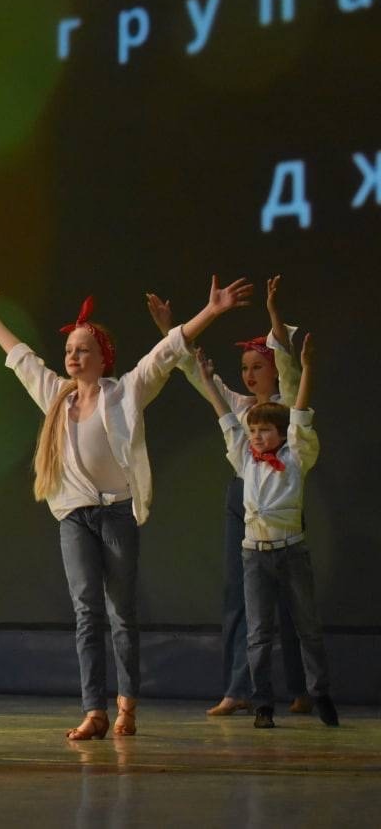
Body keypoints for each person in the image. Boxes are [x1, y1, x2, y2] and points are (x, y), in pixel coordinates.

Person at [0, 275, 252, 740]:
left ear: (102, 357)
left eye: (83, 350)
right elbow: (22, 360)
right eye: (69, 350)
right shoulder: (56, 396)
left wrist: (211, 311)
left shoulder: (125, 392)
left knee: (121, 612)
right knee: (86, 611)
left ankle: (126, 704)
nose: (73, 357)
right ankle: (93, 709)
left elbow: (167, 352)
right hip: (74, 515)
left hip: (117, 513)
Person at [146, 276, 310, 716]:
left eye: (257, 367)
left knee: (290, 600)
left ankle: (301, 687)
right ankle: (238, 688)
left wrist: (273, 315)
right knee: (238, 593)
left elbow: (290, 366)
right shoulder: (239, 406)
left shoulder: (287, 404)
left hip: (281, 502)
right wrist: (169, 331)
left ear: (272, 371)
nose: (249, 375)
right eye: (245, 369)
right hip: (242, 498)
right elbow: (197, 376)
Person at [194, 335, 338, 729]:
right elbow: (226, 421)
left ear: (281, 433)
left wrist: (307, 370)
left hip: (291, 552)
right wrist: (207, 381)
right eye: (253, 430)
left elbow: (300, 415)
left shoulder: (296, 458)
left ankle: (319, 692)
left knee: (307, 628)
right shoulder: (246, 461)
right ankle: (262, 703)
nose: (256, 436)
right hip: (255, 555)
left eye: (264, 431)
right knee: (258, 633)